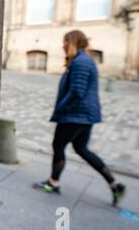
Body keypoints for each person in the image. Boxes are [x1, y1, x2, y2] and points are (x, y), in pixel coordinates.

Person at [33, 30, 126, 206]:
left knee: (58, 145)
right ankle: (115, 184)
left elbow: (77, 91)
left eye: (65, 41)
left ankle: (53, 183)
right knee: (81, 148)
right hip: (83, 115)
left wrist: (61, 109)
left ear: (73, 42)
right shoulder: (81, 60)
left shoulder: (81, 62)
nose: (63, 45)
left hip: (75, 115)